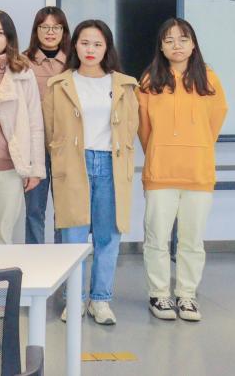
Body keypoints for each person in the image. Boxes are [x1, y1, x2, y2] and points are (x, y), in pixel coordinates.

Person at [44, 19, 139, 326]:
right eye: (85, 43)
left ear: (107, 48)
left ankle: (101, 300)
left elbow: (131, 126)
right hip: (75, 163)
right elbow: (50, 129)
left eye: (98, 44)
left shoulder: (123, 84)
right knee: (73, 236)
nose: (90, 49)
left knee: (108, 235)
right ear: (75, 45)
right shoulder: (60, 84)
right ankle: (74, 299)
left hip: (111, 164)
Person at [139, 18, 228, 323]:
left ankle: (187, 295)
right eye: (169, 40)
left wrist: (197, 146)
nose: (176, 45)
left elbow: (215, 120)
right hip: (161, 173)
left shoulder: (209, 79)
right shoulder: (149, 80)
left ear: (193, 45)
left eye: (183, 39)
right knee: (157, 239)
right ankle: (159, 294)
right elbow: (144, 128)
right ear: (161, 47)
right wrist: (160, 150)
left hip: (198, 173)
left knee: (192, 240)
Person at [0, 10, 45, 318]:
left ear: (9, 38)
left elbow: (35, 123)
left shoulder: (23, 71)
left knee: (2, 233)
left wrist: (35, 168)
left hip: (11, 166)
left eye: (0, 33)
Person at [22, 6, 71, 245]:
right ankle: (35, 259)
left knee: (64, 210)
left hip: (65, 146)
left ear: (64, 31)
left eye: (56, 27)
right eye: (45, 27)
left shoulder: (74, 62)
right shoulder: (23, 61)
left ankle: (63, 261)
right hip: (35, 147)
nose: (50, 32)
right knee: (34, 210)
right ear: (36, 30)